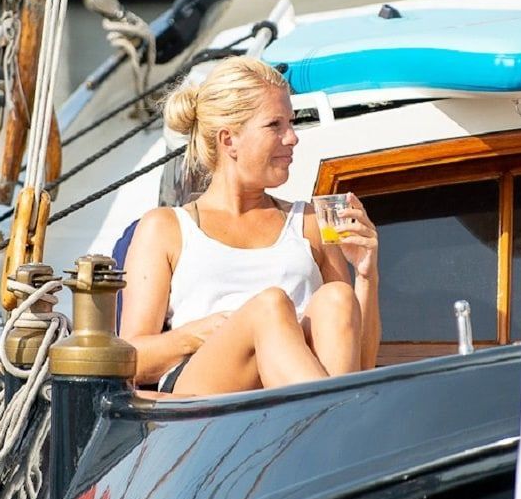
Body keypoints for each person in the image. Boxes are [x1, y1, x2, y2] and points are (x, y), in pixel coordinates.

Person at [120, 57, 379, 395]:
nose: (293, 138)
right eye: (276, 125)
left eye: (292, 123)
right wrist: (193, 334)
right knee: (270, 307)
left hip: (305, 391)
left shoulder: (312, 223)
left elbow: (361, 365)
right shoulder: (165, 227)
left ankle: (325, 423)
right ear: (230, 141)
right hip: (202, 398)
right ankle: (332, 426)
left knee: (337, 297)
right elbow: (128, 361)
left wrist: (365, 274)